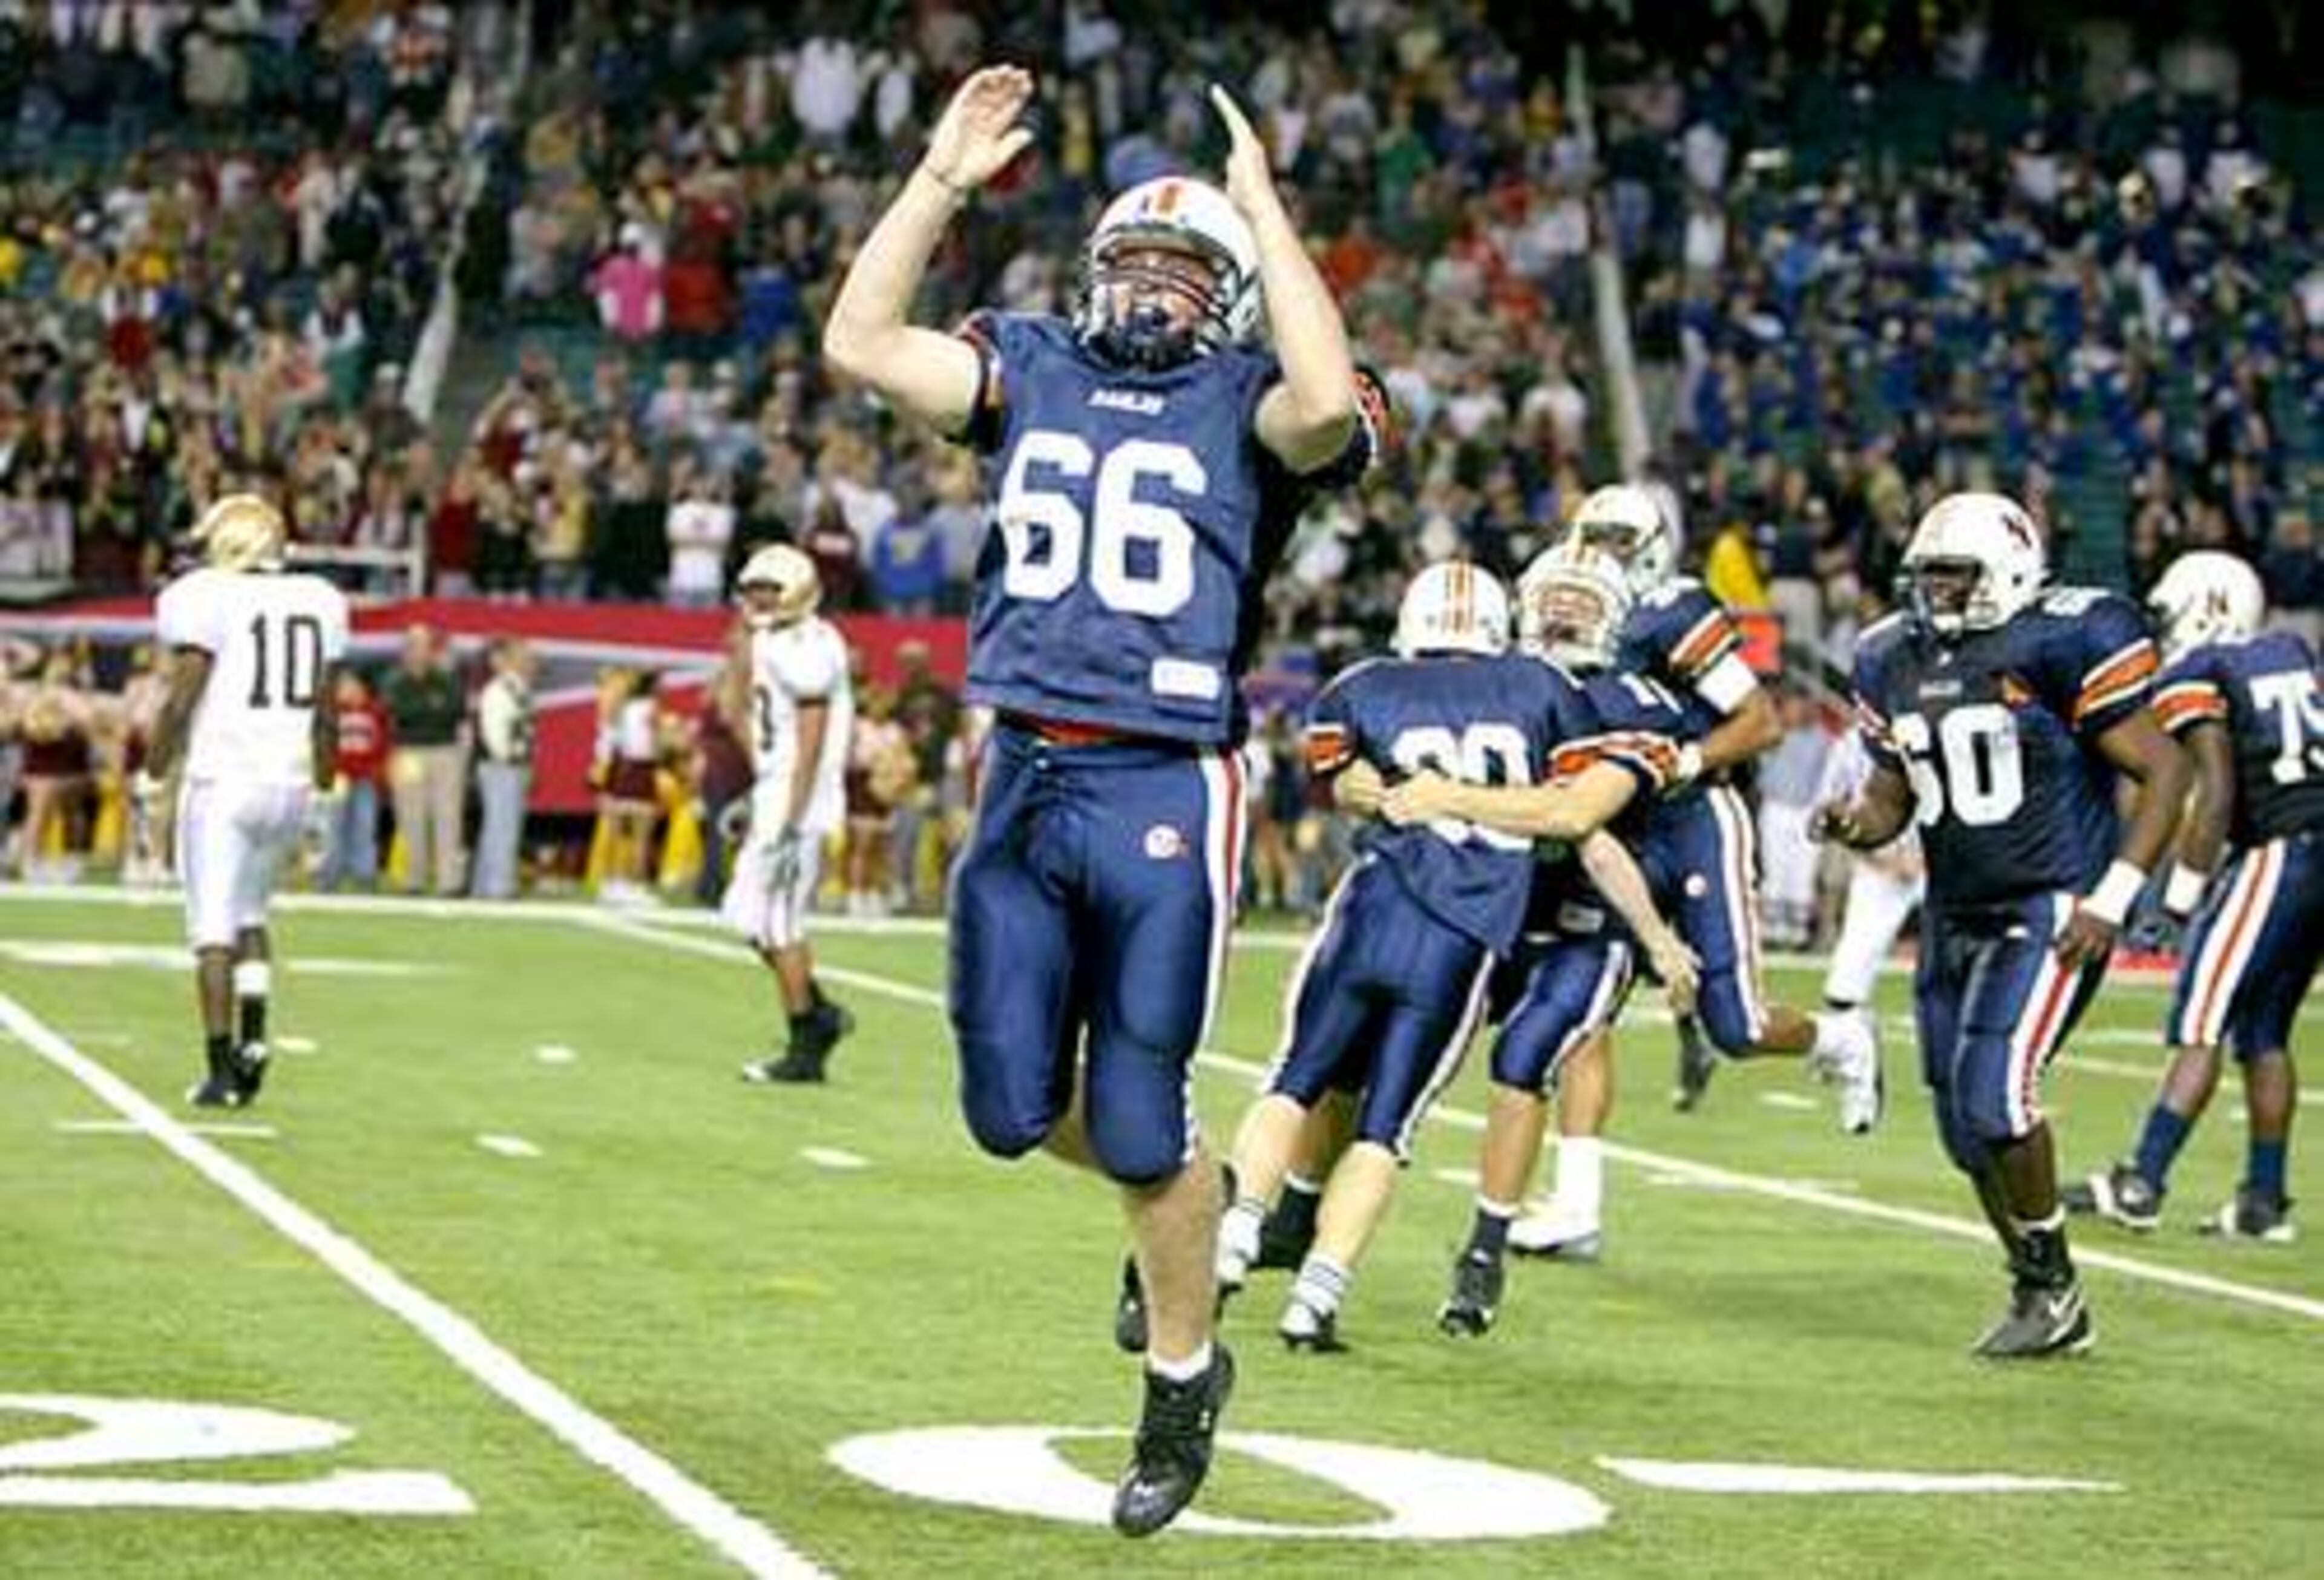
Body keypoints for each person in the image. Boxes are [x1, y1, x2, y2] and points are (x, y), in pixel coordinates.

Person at [821, 65, 1370, 1536]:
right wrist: (938, 182)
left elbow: (1326, 405)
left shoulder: (1254, 396)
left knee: (1133, 1118)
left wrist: (1263, 211)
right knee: (1011, 1112)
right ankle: (1184, 1208)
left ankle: (1182, 1378)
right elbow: (861, 338)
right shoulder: (1033, 364)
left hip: (1162, 783)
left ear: (1239, 298)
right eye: (1129, 261)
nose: (1150, 291)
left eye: (1187, 274)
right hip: (1023, 774)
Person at [1219, 560, 1686, 1351]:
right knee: (1386, 1128)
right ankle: (1314, 1298)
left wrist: (1414, 790)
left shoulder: (1365, 683)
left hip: (1372, 906)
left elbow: (1347, 780)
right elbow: (1579, 821)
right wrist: (1661, 938)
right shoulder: (1544, 688)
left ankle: (1235, 1233)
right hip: (1463, 936)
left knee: (1293, 1080)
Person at [1817, 492, 2188, 1357]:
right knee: (1961, 1125)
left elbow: (2165, 770)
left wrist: (2113, 896)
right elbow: (1890, 802)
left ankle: (2051, 1285)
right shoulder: (1890, 655)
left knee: (1998, 1094)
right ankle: (2041, 1287)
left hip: (2051, 901)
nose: (1940, 592)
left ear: (2012, 568)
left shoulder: (2064, 637)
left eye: (1957, 575)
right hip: (1954, 910)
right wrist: (1850, 821)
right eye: (1931, 575)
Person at [1509, 485, 1880, 1260]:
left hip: (1691, 818)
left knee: (1737, 1027)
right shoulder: (1559, 604)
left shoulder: (1673, 609)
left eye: (1616, 542)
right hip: (1610, 829)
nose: (1598, 558)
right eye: (1593, 539)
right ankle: (1577, 1207)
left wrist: (1680, 758)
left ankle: (1842, 1039)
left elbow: (1760, 722)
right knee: (1587, 1012)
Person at [1400, 543, 1702, 1336]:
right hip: (1493, 910)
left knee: (1524, 1057)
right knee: (1380, 1035)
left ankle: (1484, 1251)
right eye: (1553, 597)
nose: (1564, 612)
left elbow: (1583, 824)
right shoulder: (1497, 687)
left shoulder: (1637, 701)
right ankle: (1292, 1212)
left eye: (1584, 600)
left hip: (1588, 921)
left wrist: (1660, 939)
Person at [2068, 552, 2322, 1243]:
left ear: (2208, 605)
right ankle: (2263, 1200)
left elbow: (2213, 788)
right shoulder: (2288, 648)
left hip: (2278, 851)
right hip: (2312, 844)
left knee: (2201, 1020)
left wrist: (2178, 899)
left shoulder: (2199, 672)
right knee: (2263, 1031)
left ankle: (2141, 1181)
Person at [140, 494, 348, 1107]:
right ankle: (255, 1041)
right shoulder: (319, 599)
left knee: (212, 930)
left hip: (225, 779)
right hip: (289, 781)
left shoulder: (206, 595)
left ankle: (220, 1066)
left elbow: (181, 702)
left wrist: (153, 773)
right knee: (252, 915)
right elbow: (328, 713)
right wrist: (325, 786)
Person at [727, 545, 857, 1084]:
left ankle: (807, 1038)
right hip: (777, 791)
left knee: (779, 923)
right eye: (753, 589)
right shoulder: (770, 639)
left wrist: (790, 817)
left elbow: (811, 738)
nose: (758, 600)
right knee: (746, 916)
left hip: (799, 800)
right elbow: (751, 717)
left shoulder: (808, 643)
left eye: (769, 590)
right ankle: (819, 1012)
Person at [381, 624, 467, 896]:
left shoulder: (446, 678)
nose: (420, 652)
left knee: (448, 815)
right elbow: (398, 711)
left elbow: (455, 710)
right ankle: (414, 878)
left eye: (425, 646)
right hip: (408, 753)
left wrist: (425, 711)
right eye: (414, 645)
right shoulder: (394, 680)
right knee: (410, 815)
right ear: (405, 650)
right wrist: (430, 708)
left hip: (445, 751)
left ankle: (448, 881)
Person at [471, 638, 536, 900]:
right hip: (501, 765)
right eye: (525, 657)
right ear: (509, 660)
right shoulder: (499, 689)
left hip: (513, 764)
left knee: (500, 826)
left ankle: (485, 885)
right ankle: (498, 886)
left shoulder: (519, 688)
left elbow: (526, 730)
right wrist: (506, 758)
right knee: (502, 828)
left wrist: (526, 761)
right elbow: (493, 729)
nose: (531, 663)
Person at [317, 669, 390, 891]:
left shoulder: (376, 712)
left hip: (366, 778)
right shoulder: (331, 713)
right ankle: (329, 876)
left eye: (352, 685)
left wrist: (378, 771)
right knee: (333, 827)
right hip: (339, 778)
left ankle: (364, 875)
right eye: (343, 687)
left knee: (365, 827)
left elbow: (383, 744)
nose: (348, 691)